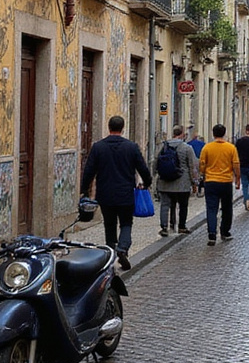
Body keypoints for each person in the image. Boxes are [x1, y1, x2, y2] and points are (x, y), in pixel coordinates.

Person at [80, 114, 152, 270]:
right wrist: (147, 183)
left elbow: (89, 171)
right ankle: (123, 248)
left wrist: (84, 189)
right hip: (126, 193)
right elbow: (143, 168)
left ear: (109, 127)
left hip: (105, 194)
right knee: (126, 223)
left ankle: (111, 252)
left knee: (109, 223)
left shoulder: (98, 147)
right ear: (123, 128)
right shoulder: (131, 147)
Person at [154, 124, 199, 236]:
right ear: (182, 134)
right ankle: (181, 226)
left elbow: (155, 162)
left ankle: (164, 227)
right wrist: (194, 182)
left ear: (173, 134)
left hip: (165, 181)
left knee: (165, 204)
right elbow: (192, 166)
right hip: (182, 182)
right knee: (183, 205)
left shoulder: (163, 146)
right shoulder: (187, 148)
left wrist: (156, 175)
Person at [199, 124, 241, 243]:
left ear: (213, 134)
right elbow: (236, 165)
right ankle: (225, 231)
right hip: (226, 181)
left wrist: (203, 174)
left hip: (211, 181)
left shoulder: (207, 148)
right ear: (224, 133)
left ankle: (212, 233)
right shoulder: (231, 148)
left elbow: (202, 164)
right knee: (227, 208)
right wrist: (237, 178)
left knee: (211, 208)